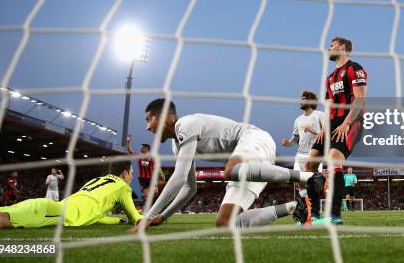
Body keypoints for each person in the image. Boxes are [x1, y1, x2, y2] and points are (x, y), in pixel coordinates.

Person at [131, 99, 319, 231]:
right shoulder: (177, 145)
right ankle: (296, 207)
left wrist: (148, 215)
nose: (147, 127)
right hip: (247, 167)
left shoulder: (186, 125)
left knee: (229, 169)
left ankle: (308, 177)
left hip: (254, 139)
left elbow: (178, 178)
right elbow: (189, 186)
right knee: (225, 223)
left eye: (149, 119)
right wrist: (162, 217)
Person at [306, 36, 368, 224]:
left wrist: (347, 123)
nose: (328, 48)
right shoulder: (330, 78)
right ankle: (315, 215)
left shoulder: (355, 68)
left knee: (333, 160)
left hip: (351, 120)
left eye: (331, 45)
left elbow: (359, 100)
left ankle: (334, 215)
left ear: (342, 47)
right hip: (332, 123)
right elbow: (329, 106)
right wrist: (324, 128)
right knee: (310, 165)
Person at [0, 161, 142, 229]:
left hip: (55, 207)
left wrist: (119, 221)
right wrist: (151, 216)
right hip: (60, 213)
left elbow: (95, 217)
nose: (132, 178)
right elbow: (137, 218)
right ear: (125, 173)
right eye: (132, 174)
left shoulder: (98, 180)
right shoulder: (123, 187)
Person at [281, 90, 324, 201]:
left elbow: (327, 134)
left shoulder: (319, 115)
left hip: (314, 154)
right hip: (300, 154)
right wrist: (288, 143)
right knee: (299, 183)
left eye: (303, 99)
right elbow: (295, 139)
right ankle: (306, 208)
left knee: (312, 182)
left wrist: (312, 130)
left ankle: (314, 209)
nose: (300, 101)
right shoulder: (298, 120)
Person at [126, 136, 163, 205]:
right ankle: (146, 207)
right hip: (142, 178)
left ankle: (154, 206)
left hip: (151, 178)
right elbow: (130, 151)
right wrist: (128, 142)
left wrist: (161, 174)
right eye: (141, 147)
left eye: (142, 147)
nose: (140, 148)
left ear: (147, 149)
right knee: (145, 193)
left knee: (155, 191)